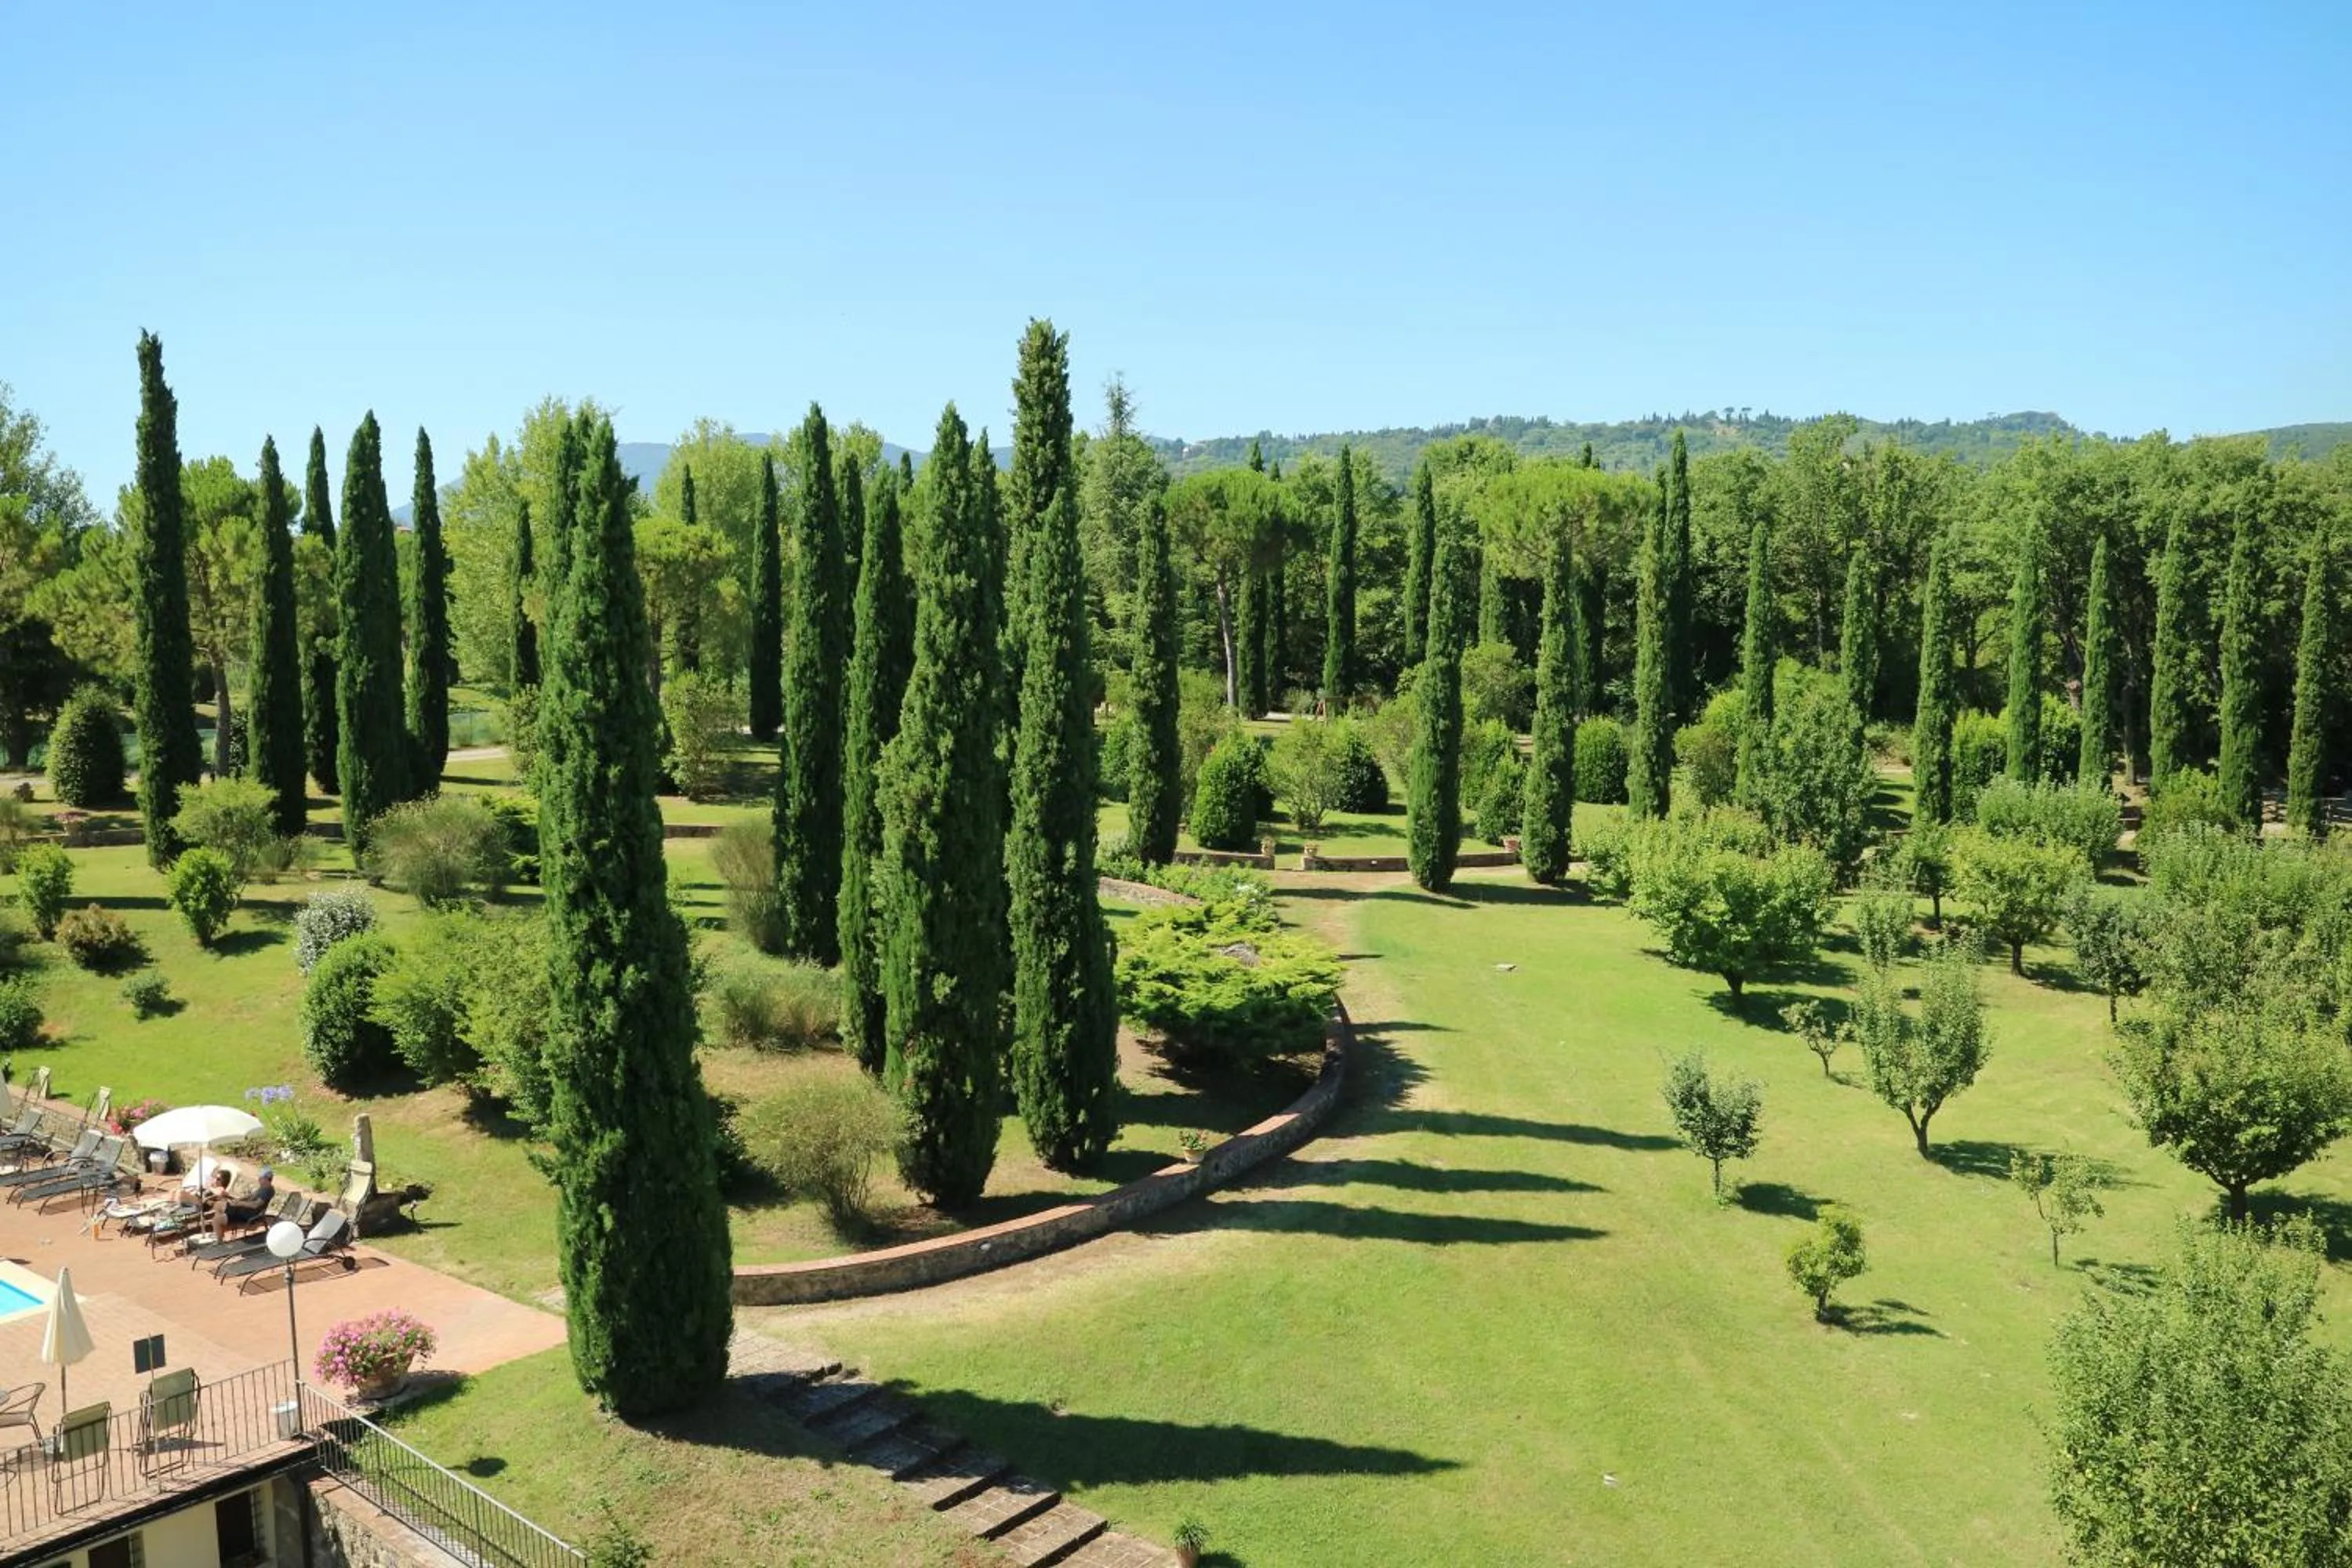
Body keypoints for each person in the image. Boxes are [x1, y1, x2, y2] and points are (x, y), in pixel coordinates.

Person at [212, 1167, 275, 1240]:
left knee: (216, 1220)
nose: (259, 1179)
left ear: (267, 1179)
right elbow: (251, 1196)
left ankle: (219, 1241)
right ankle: (221, 1229)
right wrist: (238, 1200)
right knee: (218, 1205)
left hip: (247, 1214)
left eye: (261, 1178)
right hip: (244, 1209)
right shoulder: (264, 1187)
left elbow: (255, 1205)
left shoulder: (267, 1191)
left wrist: (239, 1203)